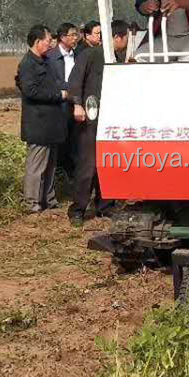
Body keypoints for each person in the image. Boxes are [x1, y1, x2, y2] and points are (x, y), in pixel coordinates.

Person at [16, 25, 68, 213]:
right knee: (36, 165)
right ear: (37, 42)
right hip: (38, 123)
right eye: (48, 40)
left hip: (51, 123)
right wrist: (58, 95)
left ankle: (49, 199)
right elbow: (31, 91)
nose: (50, 43)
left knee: (50, 165)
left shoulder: (46, 60)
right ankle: (32, 203)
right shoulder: (28, 64)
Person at [68, 22, 106, 226]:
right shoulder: (87, 55)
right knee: (87, 164)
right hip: (90, 116)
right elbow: (75, 82)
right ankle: (78, 210)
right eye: (99, 33)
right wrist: (77, 105)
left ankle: (105, 205)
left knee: (107, 162)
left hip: (109, 119)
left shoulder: (114, 57)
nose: (101, 37)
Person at [48, 22, 79, 177]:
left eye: (76, 35)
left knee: (74, 139)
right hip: (58, 104)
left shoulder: (78, 54)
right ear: (62, 37)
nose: (75, 38)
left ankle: (71, 172)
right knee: (60, 139)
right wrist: (68, 87)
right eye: (72, 35)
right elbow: (51, 81)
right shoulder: (50, 56)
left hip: (75, 102)